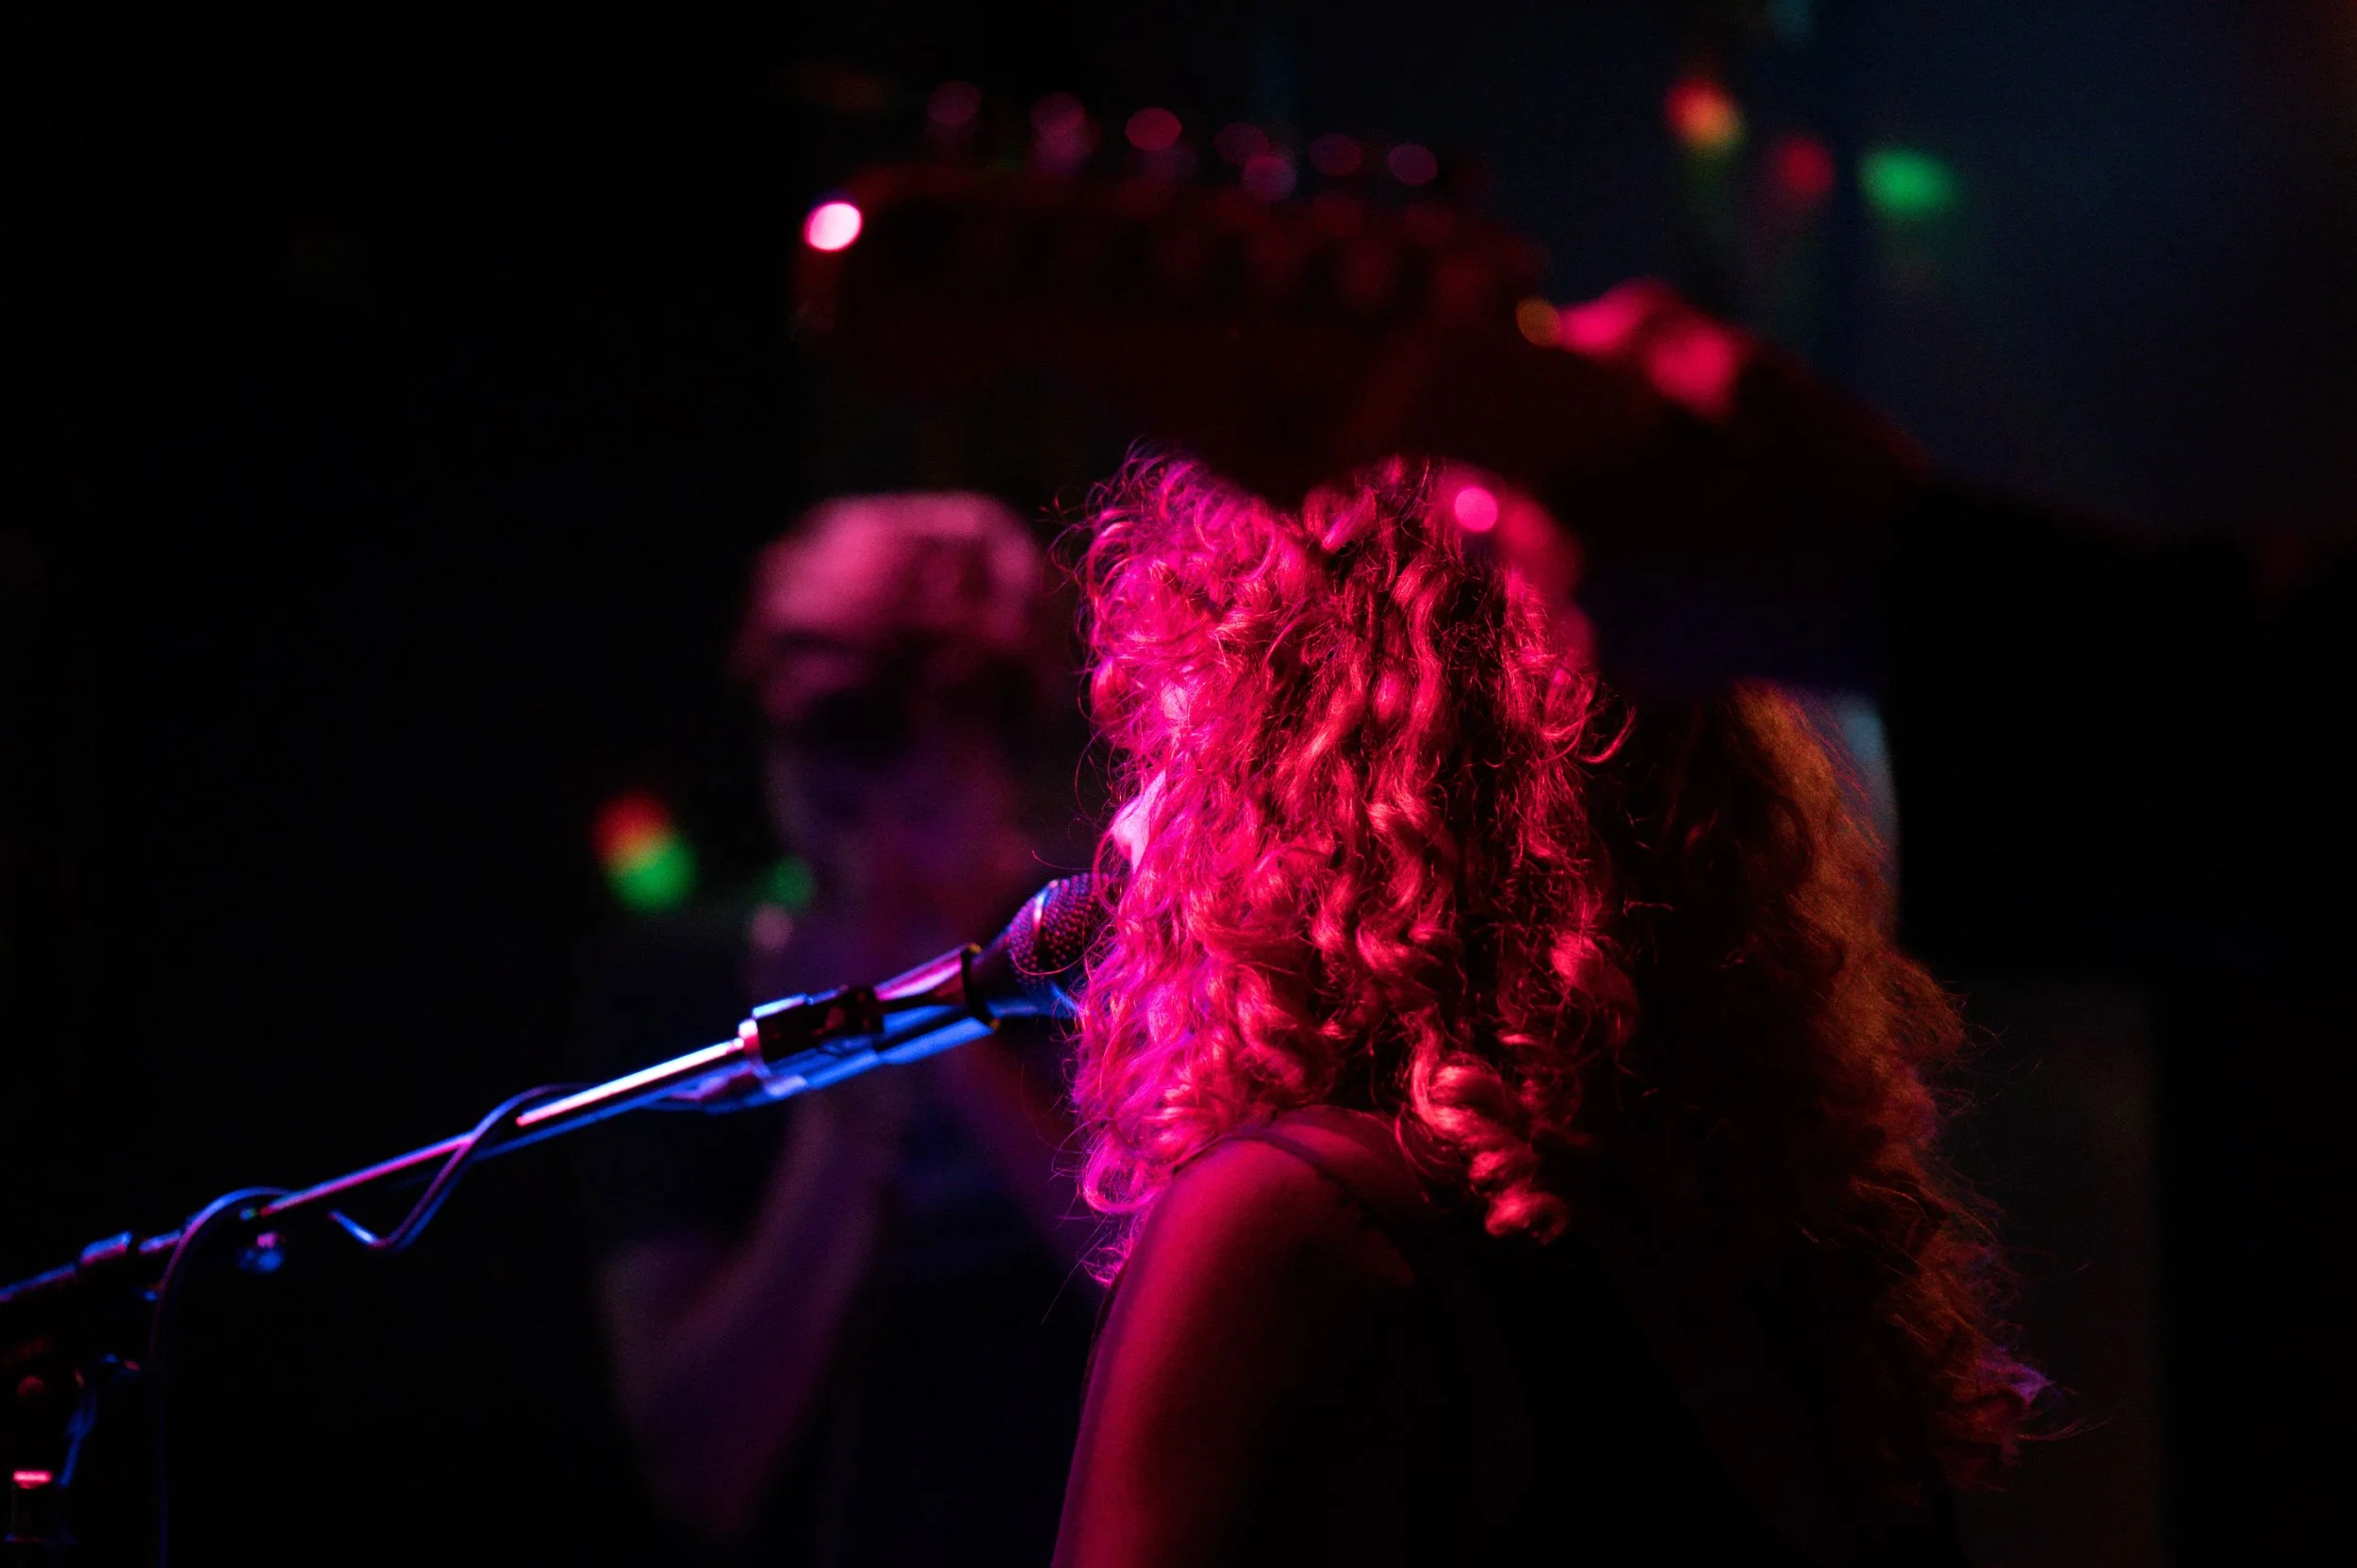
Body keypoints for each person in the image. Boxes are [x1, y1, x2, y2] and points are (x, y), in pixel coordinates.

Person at [1048, 456, 2043, 1566]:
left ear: (1285, 778)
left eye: (1183, 740)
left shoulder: (1294, 1224)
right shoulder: (1796, 1279)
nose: (1134, 824)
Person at [588, 492, 1098, 1565]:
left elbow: (1156, 1293)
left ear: (1002, 772)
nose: (875, 869)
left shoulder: (1092, 952)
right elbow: (703, 1470)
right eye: (832, 817)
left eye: (919, 811)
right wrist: (845, 1104)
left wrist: (937, 1018)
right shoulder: (678, 988)